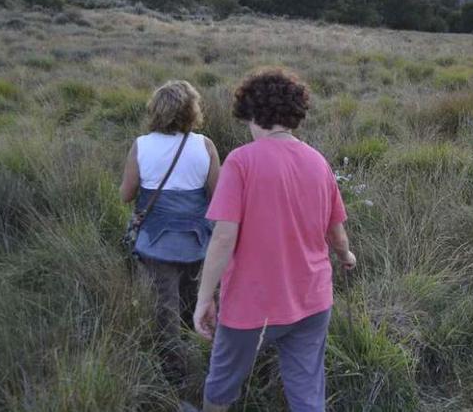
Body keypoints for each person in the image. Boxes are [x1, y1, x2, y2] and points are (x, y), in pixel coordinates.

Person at [193, 68, 356, 412]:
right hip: (312, 300)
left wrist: (204, 298)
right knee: (307, 392)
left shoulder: (240, 161)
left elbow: (224, 238)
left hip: (250, 306)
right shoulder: (318, 162)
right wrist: (346, 256)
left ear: (252, 113)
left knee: (221, 386)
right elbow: (337, 233)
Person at [119, 80, 221, 380]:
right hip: (198, 245)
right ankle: (208, 367)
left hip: (155, 246)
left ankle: (175, 379)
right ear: (192, 112)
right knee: (198, 306)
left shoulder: (142, 145)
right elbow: (219, 198)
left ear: (156, 110)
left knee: (165, 314)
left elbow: (126, 195)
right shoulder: (205, 145)